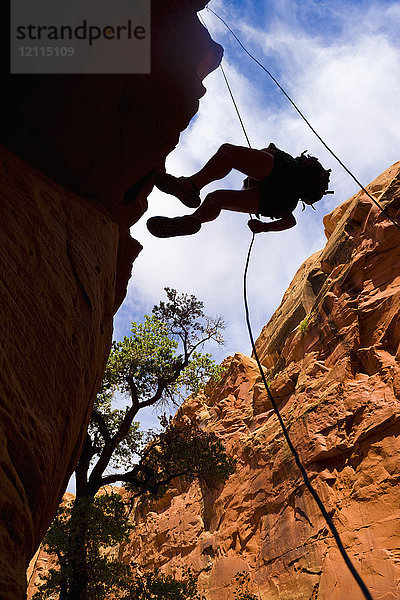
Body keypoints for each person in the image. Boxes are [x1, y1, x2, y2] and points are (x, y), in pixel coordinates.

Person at [147, 142, 333, 238]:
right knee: (217, 198)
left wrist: (262, 152)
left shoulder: (286, 160)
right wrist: (264, 227)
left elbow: (267, 154)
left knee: (229, 152)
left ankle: (190, 186)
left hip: (285, 171)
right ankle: (192, 220)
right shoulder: (292, 202)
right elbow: (290, 221)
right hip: (282, 204)